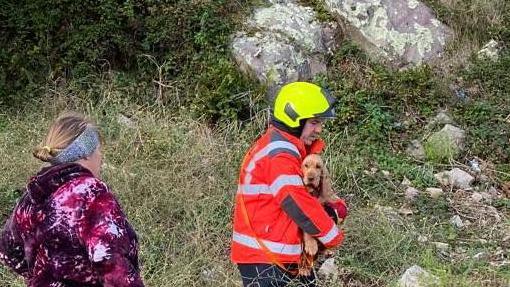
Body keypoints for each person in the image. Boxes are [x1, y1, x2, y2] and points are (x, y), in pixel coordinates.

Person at [0, 112, 144, 287]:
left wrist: (42, 276)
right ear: (85, 153)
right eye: (98, 149)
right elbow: (111, 261)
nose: (101, 156)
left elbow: (7, 250)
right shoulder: (91, 193)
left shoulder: (33, 195)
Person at [231, 82, 347, 286]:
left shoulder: (284, 148)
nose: (319, 128)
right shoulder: (280, 154)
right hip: (266, 260)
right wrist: (332, 234)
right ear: (293, 119)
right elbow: (297, 202)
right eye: (314, 122)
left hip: (279, 256)